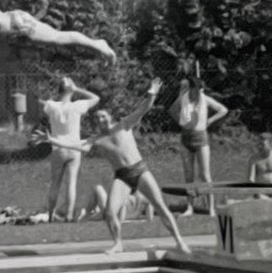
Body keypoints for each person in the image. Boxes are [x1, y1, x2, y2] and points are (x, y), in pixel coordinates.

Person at [41, 94, 190, 254]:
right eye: (97, 118)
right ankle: (118, 243)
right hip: (122, 177)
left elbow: (143, 109)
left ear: (109, 116)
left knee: (160, 207)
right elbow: (76, 145)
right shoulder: (97, 139)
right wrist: (52, 140)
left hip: (140, 171)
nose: (101, 119)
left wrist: (153, 94)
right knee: (110, 211)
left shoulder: (124, 124)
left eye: (103, 116)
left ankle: (180, 242)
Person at [42, 76, 120, 221]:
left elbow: (46, 106)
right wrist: (77, 89)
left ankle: (51, 215)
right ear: (71, 89)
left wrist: (63, 92)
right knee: (71, 183)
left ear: (59, 90)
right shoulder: (78, 106)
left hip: (58, 149)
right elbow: (96, 98)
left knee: (55, 183)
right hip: (74, 149)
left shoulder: (52, 106)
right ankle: (69, 215)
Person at [170, 70, 229, 216]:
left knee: (205, 175)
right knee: (189, 175)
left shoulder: (204, 98)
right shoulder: (183, 98)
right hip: (186, 139)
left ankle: (211, 208)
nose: (197, 92)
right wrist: (181, 122)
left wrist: (210, 120)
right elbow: (172, 111)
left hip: (201, 138)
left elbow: (223, 110)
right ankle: (190, 207)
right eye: (195, 89)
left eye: (199, 90)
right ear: (190, 88)